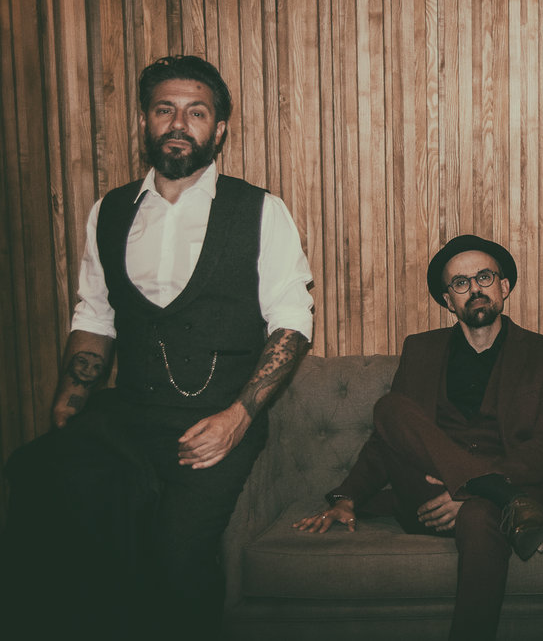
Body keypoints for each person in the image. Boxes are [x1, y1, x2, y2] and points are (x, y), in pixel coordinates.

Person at [0, 54, 314, 639]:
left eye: (197, 112)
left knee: (176, 561)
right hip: (127, 416)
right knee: (43, 481)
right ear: (144, 120)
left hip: (215, 422)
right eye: (165, 109)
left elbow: (292, 321)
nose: (179, 123)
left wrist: (237, 418)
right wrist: (70, 400)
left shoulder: (259, 210)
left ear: (218, 129)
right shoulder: (110, 211)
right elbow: (95, 313)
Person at [295, 234, 543, 640]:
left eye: (484, 277)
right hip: (431, 490)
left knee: (480, 515)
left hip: (515, 488)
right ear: (448, 300)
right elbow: (389, 439)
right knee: (390, 409)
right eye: (461, 283)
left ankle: (490, 498)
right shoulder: (421, 350)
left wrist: (469, 493)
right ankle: (496, 495)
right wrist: (347, 497)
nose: (475, 289)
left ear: (504, 286)